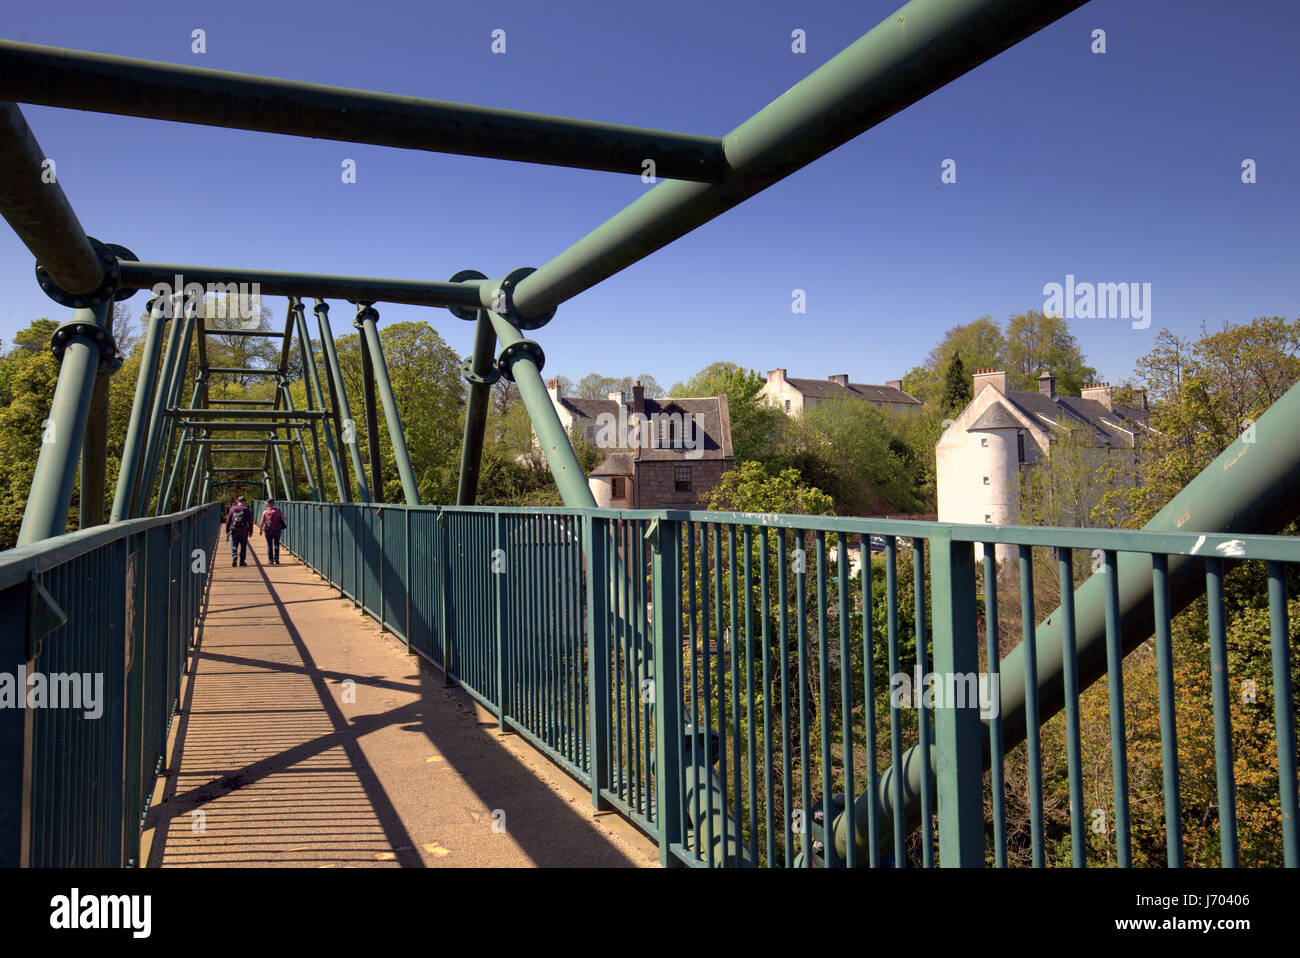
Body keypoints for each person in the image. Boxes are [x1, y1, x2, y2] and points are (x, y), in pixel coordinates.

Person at [226, 495, 253, 566]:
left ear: (238, 501)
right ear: (244, 502)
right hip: (244, 529)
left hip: (234, 529)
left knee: (234, 543)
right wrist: (251, 531)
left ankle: (234, 555)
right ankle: (242, 562)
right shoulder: (246, 509)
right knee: (243, 545)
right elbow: (250, 521)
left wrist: (227, 530)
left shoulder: (232, 509)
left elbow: (228, 520)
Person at [258, 498, 287, 565]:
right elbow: (284, 519)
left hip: (268, 530)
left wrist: (260, 530)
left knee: (269, 545)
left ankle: (270, 560)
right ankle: (276, 559)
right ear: (273, 504)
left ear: (267, 504)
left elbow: (262, 522)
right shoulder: (278, 511)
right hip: (277, 529)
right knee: (276, 544)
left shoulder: (265, 512)